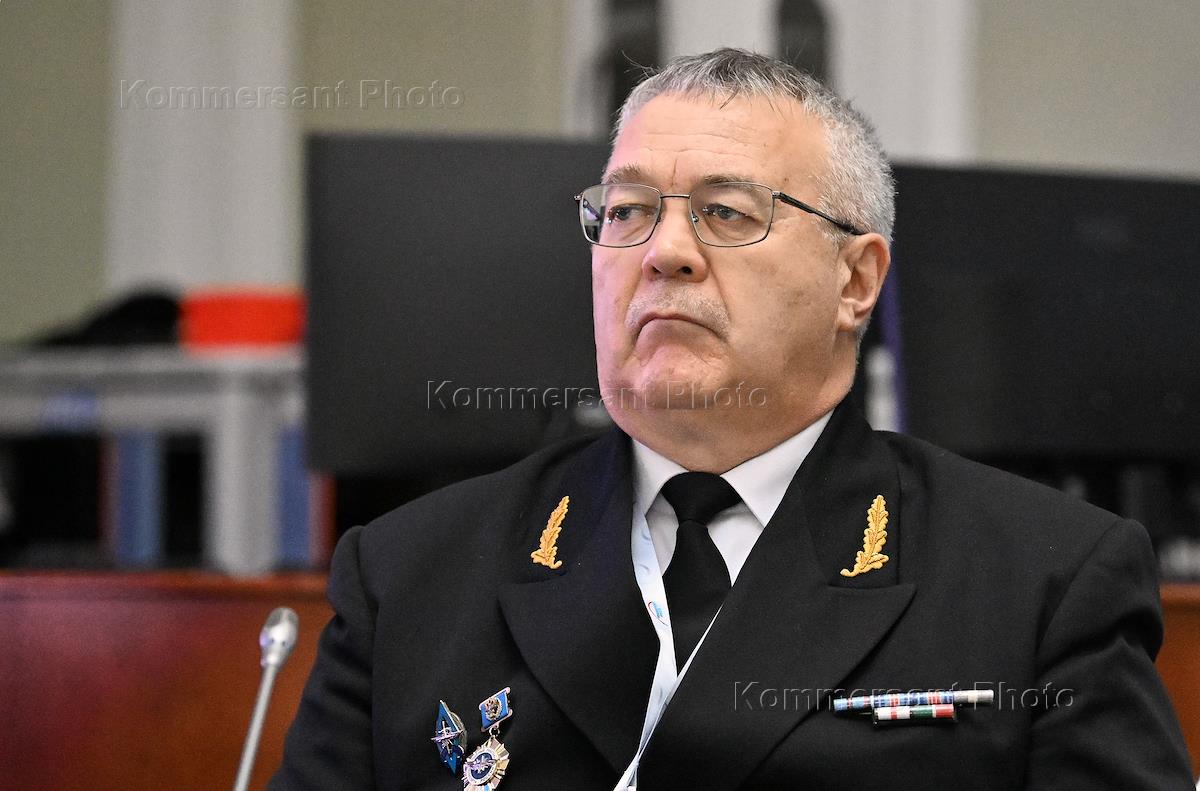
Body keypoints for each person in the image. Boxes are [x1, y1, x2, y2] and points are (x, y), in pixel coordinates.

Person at [271, 49, 1193, 790]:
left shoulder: (1042, 581)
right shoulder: (407, 575)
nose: (664, 252)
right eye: (628, 210)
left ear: (856, 280)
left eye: (724, 211)